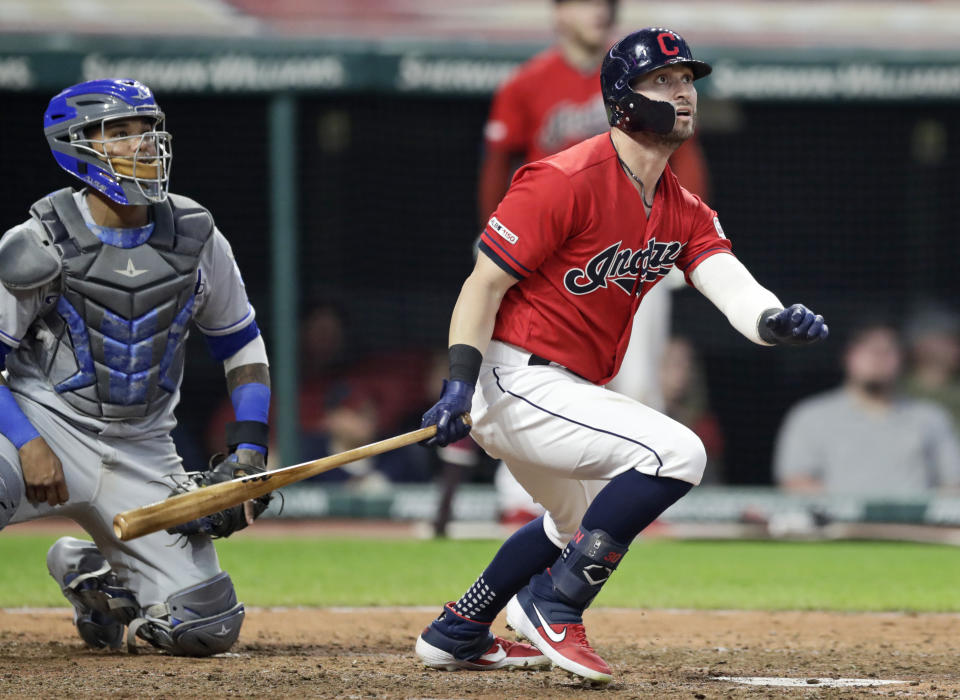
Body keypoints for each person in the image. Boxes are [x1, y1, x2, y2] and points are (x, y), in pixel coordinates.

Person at [413, 28, 827, 684]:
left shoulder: (680, 207)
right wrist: (459, 383)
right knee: (677, 453)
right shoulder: (563, 177)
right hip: (516, 376)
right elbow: (481, 285)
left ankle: (461, 626)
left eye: (687, 79)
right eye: (664, 80)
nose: (684, 92)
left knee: (571, 520)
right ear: (621, 97)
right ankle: (555, 604)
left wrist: (772, 320)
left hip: (561, 389)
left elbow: (730, 283)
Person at [0, 79, 272, 655]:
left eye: (147, 130)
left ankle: (94, 575)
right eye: (120, 133)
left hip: (143, 447)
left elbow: (241, 344)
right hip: (43, 428)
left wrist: (248, 455)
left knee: (207, 630)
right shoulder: (36, 240)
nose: (142, 143)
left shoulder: (197, 236)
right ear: (78, 145)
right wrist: (25, 441)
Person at [775, 322, 960, 494]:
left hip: (913, 527)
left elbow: (953, 484)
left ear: (901, 360)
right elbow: (795, 481)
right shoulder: (810, 416)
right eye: (869, 349)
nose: (878, 358)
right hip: (841, 527)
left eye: (888, 351)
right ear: (848, 356)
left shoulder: (930, 417)